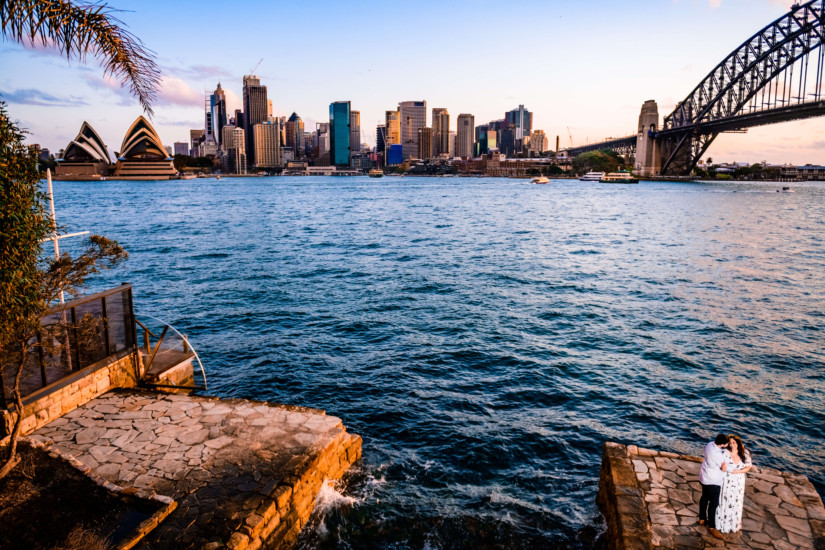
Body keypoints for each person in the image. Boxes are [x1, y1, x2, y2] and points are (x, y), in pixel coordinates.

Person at [716, 434, 752, 533]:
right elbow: (721, 466)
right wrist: (723, 468)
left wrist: (738, 472)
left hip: (739, 481)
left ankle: (733, 524)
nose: (732, 445)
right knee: (725, 500)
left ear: (738, 443)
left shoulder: (745, 453)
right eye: (730, 443)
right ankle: (722, 524)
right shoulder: (724, 452)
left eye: (734, 443)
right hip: (727, 480)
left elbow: (748, 467)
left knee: (736, 501)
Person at [699, 434, 729, 539]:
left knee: (704, 498)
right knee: (714, 504)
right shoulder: (718, 455)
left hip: (704, 477)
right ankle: (712, 526)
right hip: (713, 481)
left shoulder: (709, 444)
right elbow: (724, 468)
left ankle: (702, 518)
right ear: (723, 444)